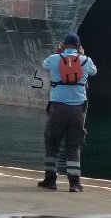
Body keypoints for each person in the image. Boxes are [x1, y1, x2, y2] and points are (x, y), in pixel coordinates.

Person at [37, 32, 97, 193]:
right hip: (78, 108)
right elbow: (93, 72)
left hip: (57, 107)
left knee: (52, 143)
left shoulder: (54, 59)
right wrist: (82, 55)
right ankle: (74, 183)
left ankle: (50, 180)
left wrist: (58, 53)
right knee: (74, 145)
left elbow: (44, 66)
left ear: (63, 45)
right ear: (78, 47)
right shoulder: (86, 60)